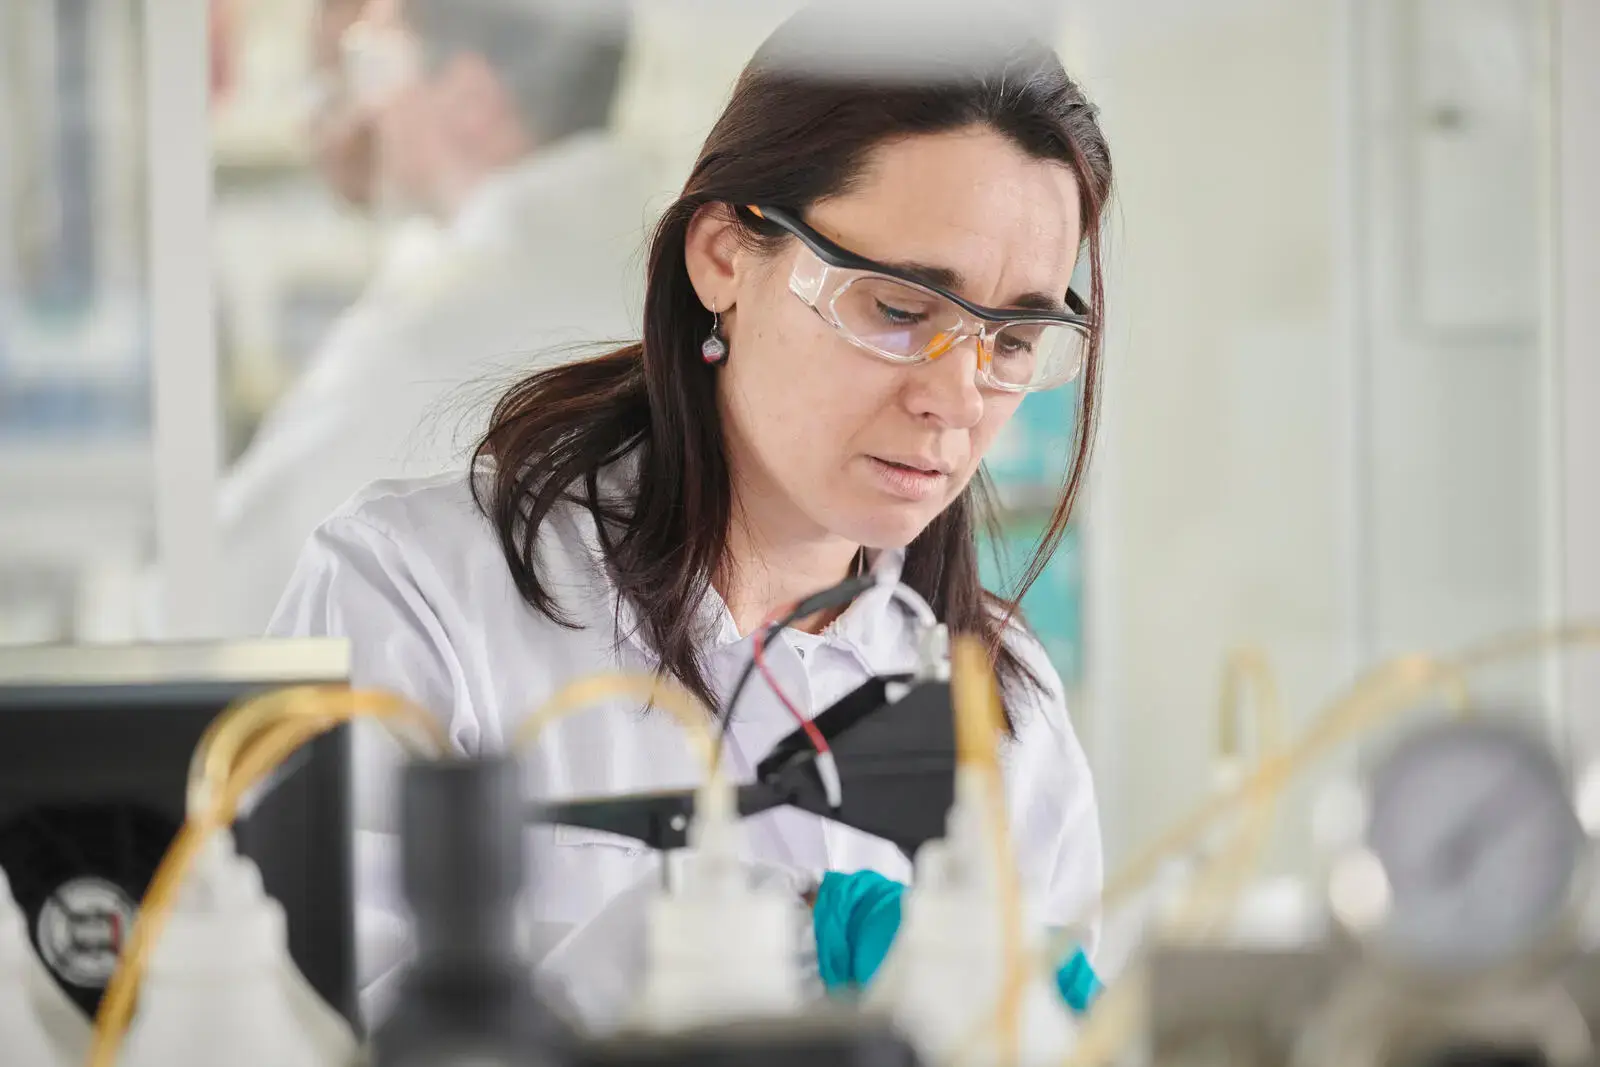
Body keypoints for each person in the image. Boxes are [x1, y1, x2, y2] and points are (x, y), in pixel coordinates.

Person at [269, 0, 1115, 1024]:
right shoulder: (420, 596)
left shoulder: (1004, 709)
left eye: (1013, 337)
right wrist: (731, 937)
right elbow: (299, 1022)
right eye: (898, 309)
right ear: (722, 255)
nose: (955, 395)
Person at [216, 0, 660, 637]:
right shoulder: (665, 258)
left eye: (372, 62)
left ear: (471, 98)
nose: (363, 107)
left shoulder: (437, 327)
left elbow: (225, 589)